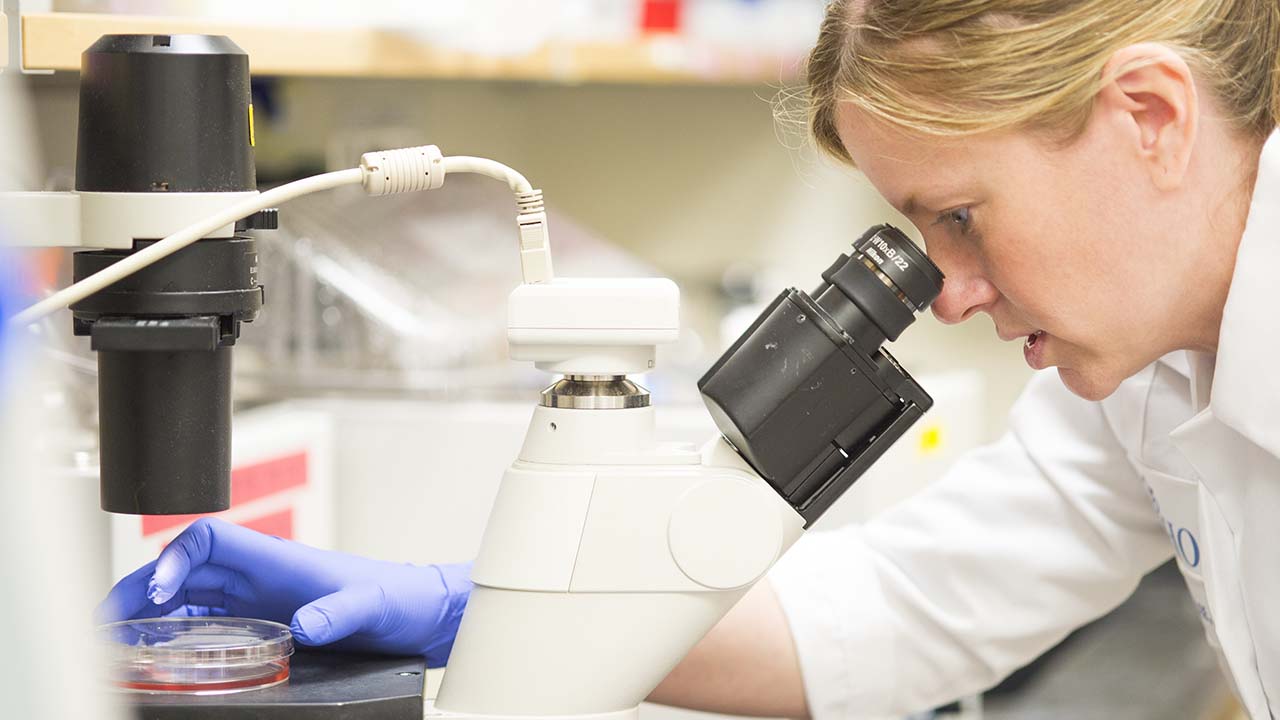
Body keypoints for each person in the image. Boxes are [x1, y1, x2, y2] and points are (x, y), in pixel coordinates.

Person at [101, 0, 1280, 716]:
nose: (949, 294)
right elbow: (899, 608)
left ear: (1150, 119)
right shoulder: (1141, 373)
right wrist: (481, 613)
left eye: (960, 216)